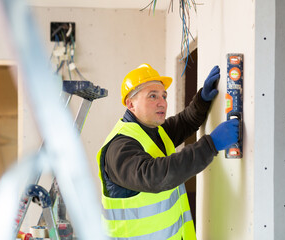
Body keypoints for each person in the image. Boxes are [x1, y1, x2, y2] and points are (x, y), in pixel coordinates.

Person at [97, 63, 239, 240]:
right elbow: (155, 176)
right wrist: (211, 145)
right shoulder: (120, 147)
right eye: (152, 96)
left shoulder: (154, 131)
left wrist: (202, 100)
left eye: (164, 96)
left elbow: (185, 121)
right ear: (130, 104)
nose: (162, 102)